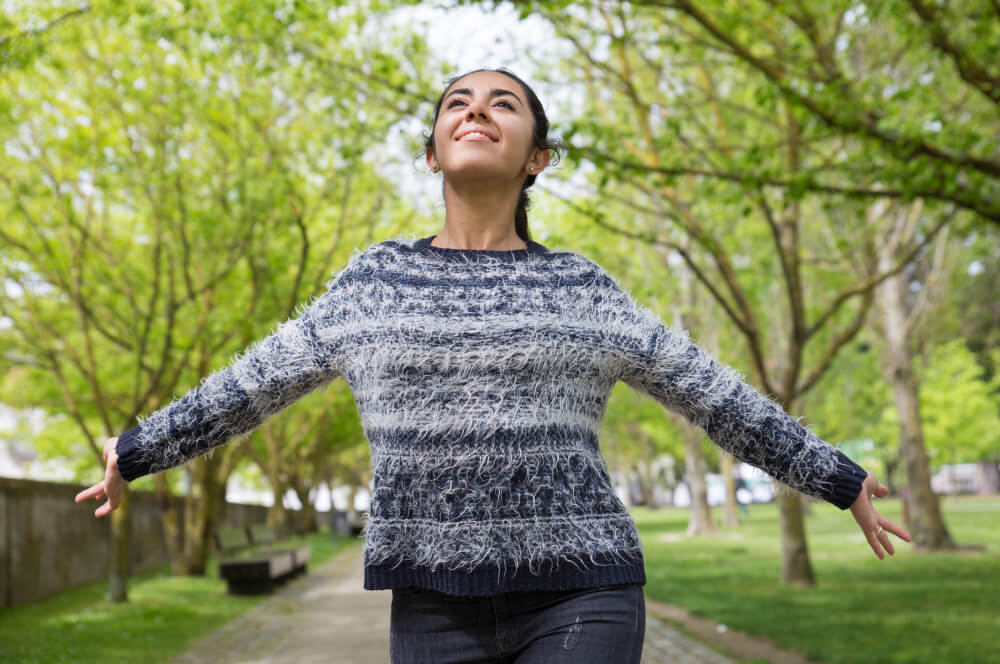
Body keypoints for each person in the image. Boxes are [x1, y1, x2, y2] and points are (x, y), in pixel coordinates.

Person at [75, 67, 912, 663]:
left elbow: (713, 394)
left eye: (503, 104)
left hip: (584, 590)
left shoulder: (581, 285)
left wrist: (836, 477)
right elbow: (251, 386)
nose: (476, 112)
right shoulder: (372, 282)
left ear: (536, 157)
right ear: (434, 152)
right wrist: (137, 450)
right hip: (431, 602)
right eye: (456, 105)